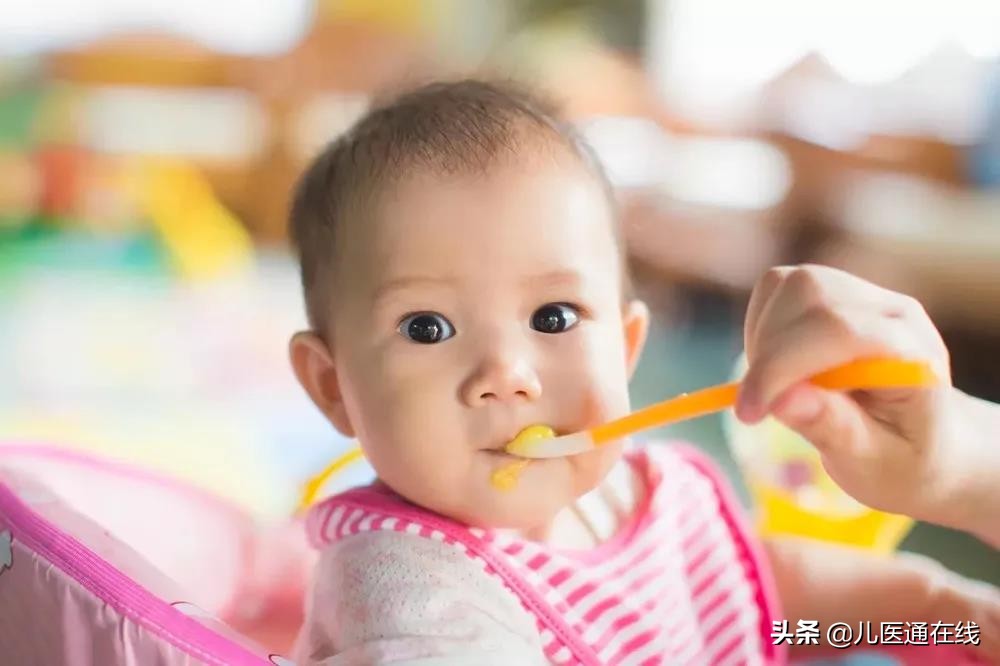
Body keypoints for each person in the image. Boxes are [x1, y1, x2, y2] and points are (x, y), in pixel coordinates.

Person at [286, 79, 1000, 665]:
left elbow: (750, 587)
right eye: (427, 328)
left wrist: (926, 609)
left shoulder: (648, 491)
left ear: (626, 349)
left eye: (554, 317)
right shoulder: (408, 589)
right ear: (331, 386)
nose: (506, 374)